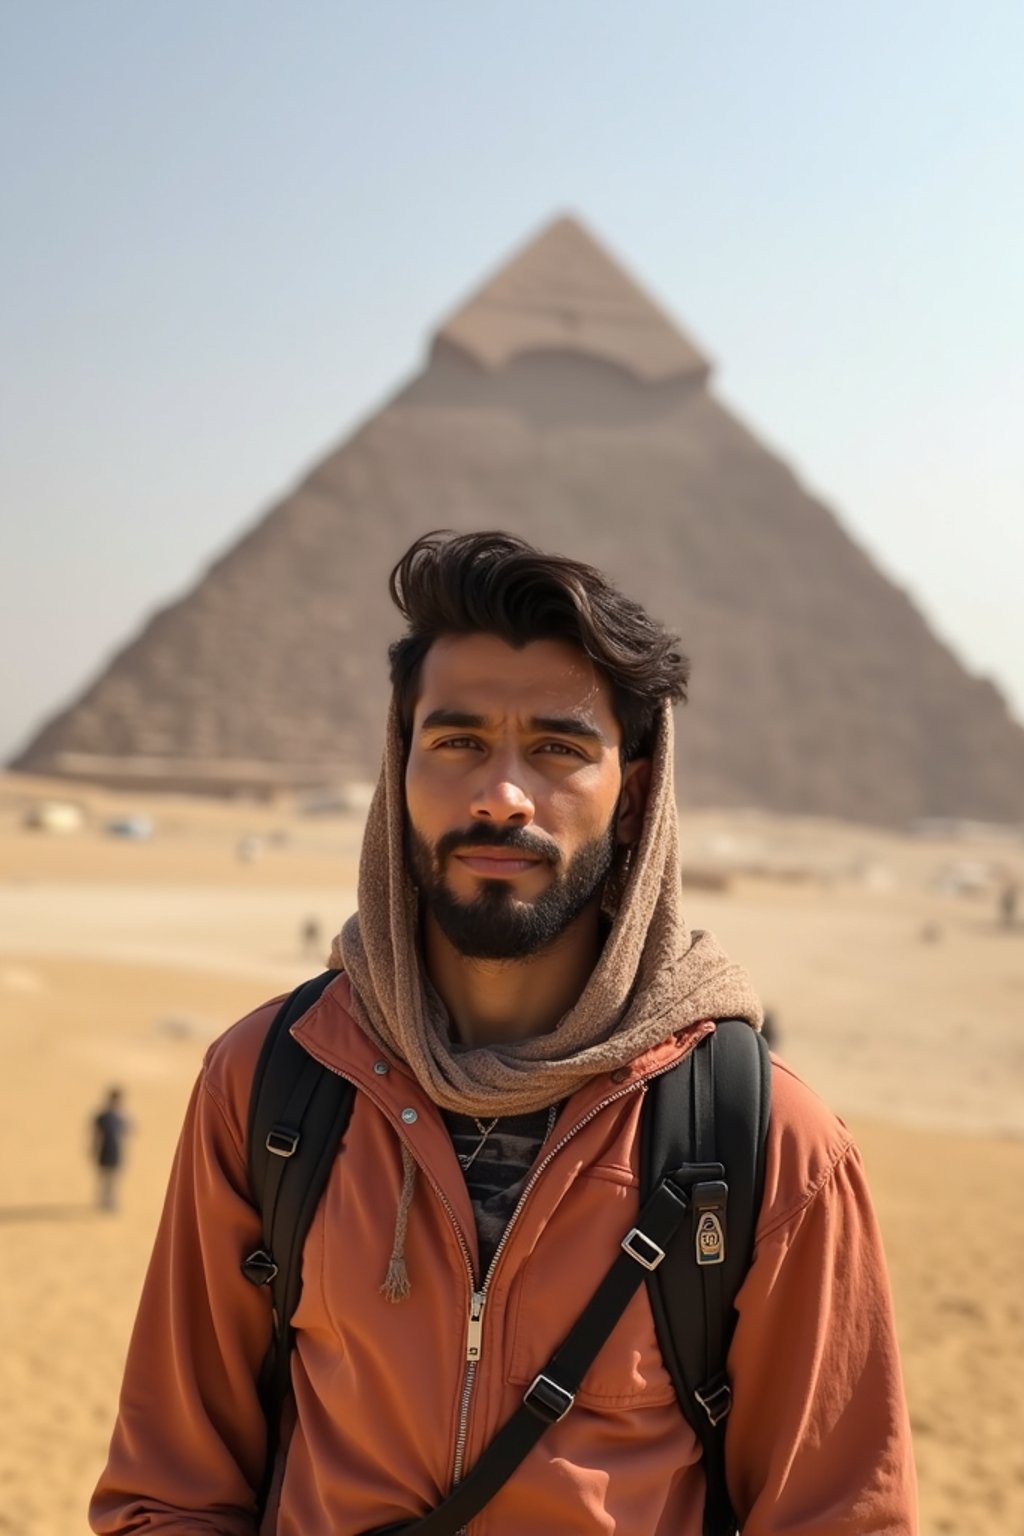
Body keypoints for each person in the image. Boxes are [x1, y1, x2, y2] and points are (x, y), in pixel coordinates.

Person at [91, 531, 917, 1534]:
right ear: (399, 768)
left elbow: (841, 1517)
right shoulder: (270, 1087)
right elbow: (172, 1491)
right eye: (458, 741)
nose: (501, 795)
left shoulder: (764, 1142)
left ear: (636, 797)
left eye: (560, 749)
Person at [91, 1086, 128, 1213]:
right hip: (104, 1151)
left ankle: (111, 1202)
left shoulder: (121, 1117)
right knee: (104, 1178)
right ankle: (103, 1201)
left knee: (114, 1179)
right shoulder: (102, 1117)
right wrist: (94, 1150)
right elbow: (96, 1135)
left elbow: (125, 1134)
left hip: (116, 1152)